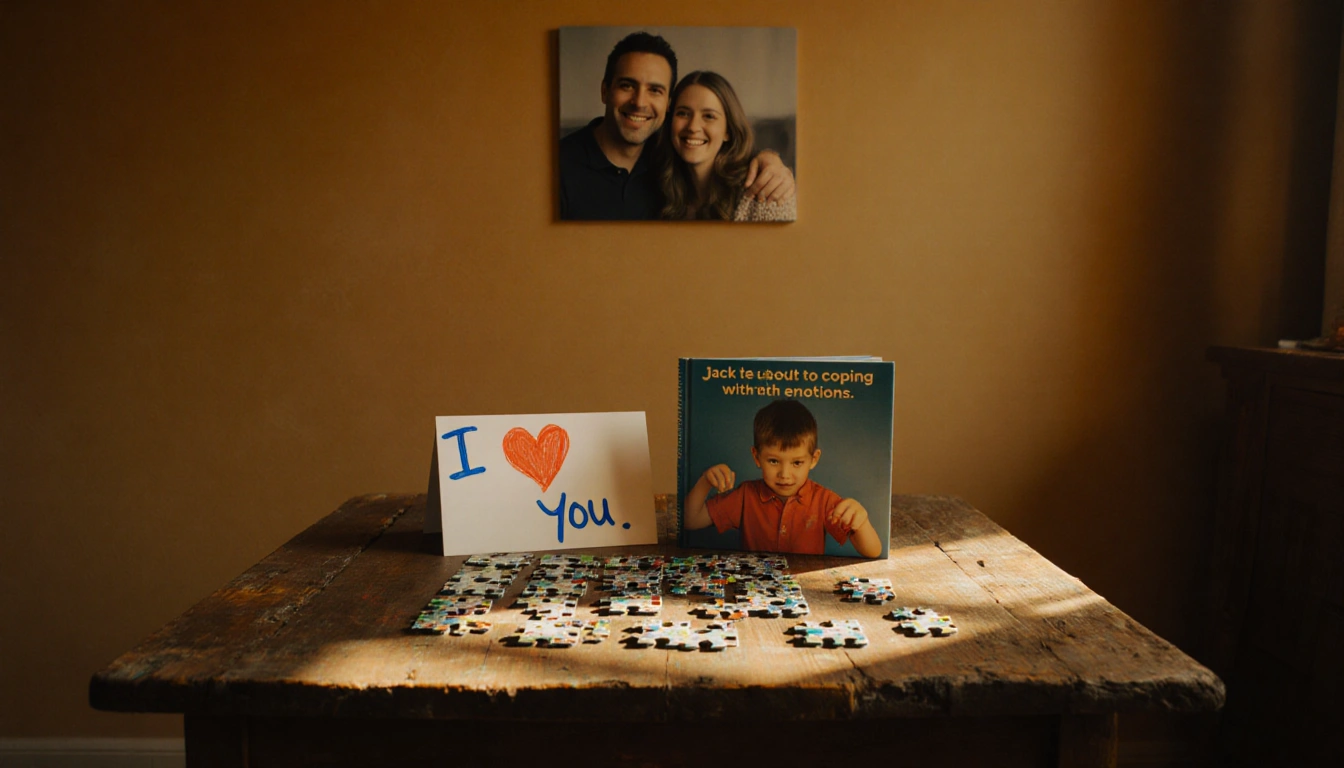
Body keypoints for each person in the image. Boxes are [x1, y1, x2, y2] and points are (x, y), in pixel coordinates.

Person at [559, 31, 795, 220]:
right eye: (627, 86)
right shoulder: (558, 165)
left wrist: (771, 159)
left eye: (655, 90)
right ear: (604, 91)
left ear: (667, 104)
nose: (639, 102)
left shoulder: (664, 154)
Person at [682, 400, 881, 557]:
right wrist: (705, 481)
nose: (784, 474)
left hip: (804, 587)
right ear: (756, 457)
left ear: (813, 459)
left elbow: (873, 551)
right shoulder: (745, 496)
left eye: (797, 463)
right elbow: (690, 520)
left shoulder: (824, 500)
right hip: (754, 587)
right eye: (774, 461)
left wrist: (861, 521)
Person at [659, 71, 796, 222]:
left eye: (709, 116)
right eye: (683, 113)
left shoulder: (766, 193)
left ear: (728, 131)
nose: (693, 127)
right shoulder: (660, 190)